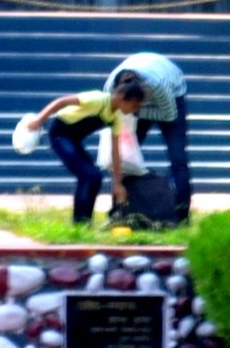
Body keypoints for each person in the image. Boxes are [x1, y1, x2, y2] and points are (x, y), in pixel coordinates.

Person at [25, 55, 196, 225]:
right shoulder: (100, 99)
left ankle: (180, 217)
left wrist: (117, 184)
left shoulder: (119, 114)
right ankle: (96, 220)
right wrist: (39, 120)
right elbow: (62, 101)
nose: (136, 112)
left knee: (96, 176)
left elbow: (117, 151)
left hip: (171, 95)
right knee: (92, 175)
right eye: (136, 106)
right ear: (122, 97)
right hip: (61, 135)